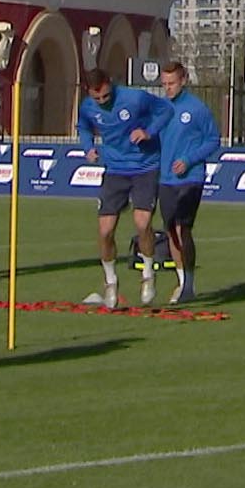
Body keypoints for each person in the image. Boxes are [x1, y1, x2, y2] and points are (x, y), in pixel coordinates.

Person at [78, 68, 173, 308]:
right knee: (105, 231)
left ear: (111, 83)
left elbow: (166, 110)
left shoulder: (135, 98)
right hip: (115, 170)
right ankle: (110, 282)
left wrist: (148, 132)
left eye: (106, 97)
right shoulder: (88, 107)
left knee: (143, 224)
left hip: (145, 167)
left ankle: (148, 275)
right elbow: (84, 126)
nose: (102, 102)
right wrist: (88, 146)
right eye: (97, 98)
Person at [157, 61, 218, 305]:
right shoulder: (160, 109)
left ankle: (188, 283)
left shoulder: (197, 109)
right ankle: (182, 282)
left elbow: (213, 140)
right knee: (171, 229)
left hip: (190, 179)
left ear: (183, 81)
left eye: (171, 83)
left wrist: (189, 159)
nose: (168, 88)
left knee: (183, 227)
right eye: (164, 84)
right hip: (165, 179)